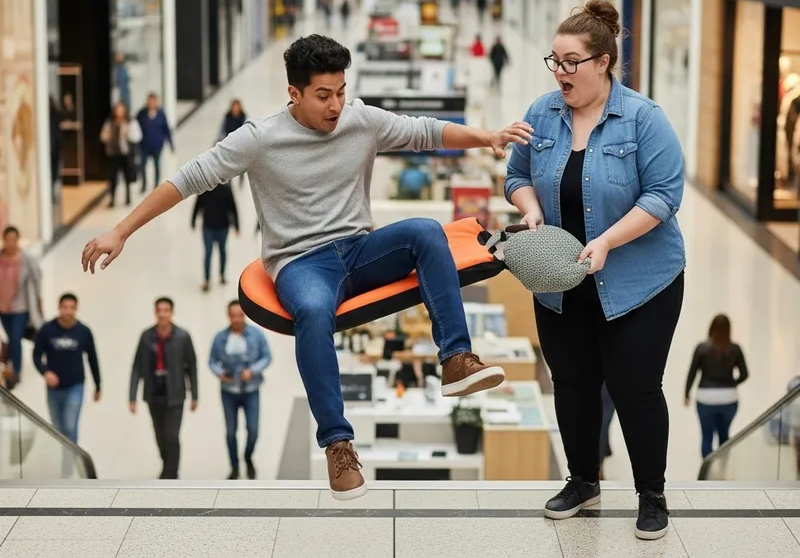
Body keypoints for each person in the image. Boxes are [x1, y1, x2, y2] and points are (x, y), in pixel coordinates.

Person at [82, 33, 531, 501]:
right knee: (315, 313)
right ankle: (338, 444)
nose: (336, 105)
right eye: (323, 95)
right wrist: (121, 230)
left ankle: (456, 359)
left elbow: (425, 131)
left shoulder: (360, 120)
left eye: (340, 91)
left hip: (360, 250)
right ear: (294, 93)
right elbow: (186, 179)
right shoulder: (259, 139)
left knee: (425, 230)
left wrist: (487, 137)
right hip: (300, 263)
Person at [505, 0, 685, 541]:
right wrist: (530, 209)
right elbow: (516, 174)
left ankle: (651, 495)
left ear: (603, 62)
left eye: (570, 62)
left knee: (635, 388)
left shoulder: (643, 118)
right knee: (572, 385)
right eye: (553, 61)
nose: (559, 72)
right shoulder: (542, 114)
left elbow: (665, 195)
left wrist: (606, 241)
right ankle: (582, 480)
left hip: (638, 282)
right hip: (562, 282)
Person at [129, 297, 198, 480]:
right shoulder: (146, 336)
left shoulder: (182, 336)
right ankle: (167, 466)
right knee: (160, 435)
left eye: (166, 310)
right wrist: (132, 396)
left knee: (172, 436)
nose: (162, 314)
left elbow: (192, 366)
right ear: (155, 312)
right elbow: (137, 366)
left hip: (175, 393)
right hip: (154, 392)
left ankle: (170, 474)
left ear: (171, 312)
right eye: (159, 310)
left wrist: (195, 395)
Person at [33, 293, 101, 468]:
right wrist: (45, 372)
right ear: (59, 308)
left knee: (70, 426)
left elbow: (92, 358)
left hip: (75, 386)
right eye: (65, 307)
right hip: (54, 389)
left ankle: (70, 465)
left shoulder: (83, 332)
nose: (68, 311)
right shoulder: (47, 329)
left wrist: (98, 384)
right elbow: (36, 355)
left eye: (72, 308)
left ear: (76, 309)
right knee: (58, 427)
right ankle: (62, 458)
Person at [209, 300, 271, 480]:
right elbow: (212, 360)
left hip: (251, 389)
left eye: (239, 315)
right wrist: (220, 373)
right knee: (230, 431)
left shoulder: (256, 334)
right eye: (232, 315)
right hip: (229, 391)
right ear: (228, 316)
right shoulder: (220, 338)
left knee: (253, 429)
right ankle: (234, 465)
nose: (236, 319)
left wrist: (253, 370)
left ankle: (248, 456)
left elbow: (267, 356)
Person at [685, 314, 748, 459]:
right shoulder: (735, 349)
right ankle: (722, 470)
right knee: (724, 435)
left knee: (706, 437)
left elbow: (692, 373)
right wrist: (732, 384)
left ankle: (707, 474)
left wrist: (686, 393)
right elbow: (744, 374)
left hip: (705, 398)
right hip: (729, 399)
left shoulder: (701, 348)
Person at [0, 225, 42, 389]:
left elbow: (37, 280)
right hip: (3, 308)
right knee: (11, 339)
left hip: (20, 307)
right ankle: (11, 366)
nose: (10, 243)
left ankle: (15, 372)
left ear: (17, 239)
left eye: (13, 239)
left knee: (16, 339)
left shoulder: (26, 259)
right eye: (7, 239)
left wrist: (39, 303)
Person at [192, 182, 239, 291]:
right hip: (208, 227)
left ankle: (222, 274)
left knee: (222, 251)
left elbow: (232, 207)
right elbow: (198, 205)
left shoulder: (226, 190)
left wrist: (237, 225)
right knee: (208, 253)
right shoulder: (204, 189)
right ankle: (206, 280)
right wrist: (193, 220)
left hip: (222, 226)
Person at [101, 102, 142, 208]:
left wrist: (127, 134)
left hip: (126, 153)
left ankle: (128, 197)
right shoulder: (110, 122)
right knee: (113, 178)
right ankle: (112, 198)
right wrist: (107, 136)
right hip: (113, 153)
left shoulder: (130, 122)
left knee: (127, 176)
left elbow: (137, 136)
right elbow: (103, 136)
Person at [136, 94, 174, 193]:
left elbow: (166, 129)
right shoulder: (141, 114)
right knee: (142, 165)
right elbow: (135, 129)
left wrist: (171, 144)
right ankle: (143, 184)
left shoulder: (161, 114)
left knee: (157, 166)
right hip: (144, 145)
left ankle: (156, 185)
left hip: (157, 145)